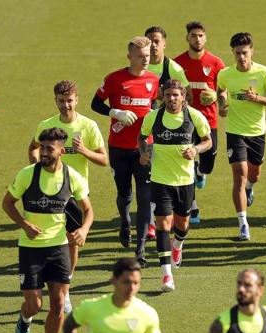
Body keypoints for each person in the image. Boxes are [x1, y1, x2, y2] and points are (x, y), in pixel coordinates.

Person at [2, 128, 94, 333]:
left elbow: (88, 210)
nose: (43, 152)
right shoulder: (26, 175)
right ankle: (25, 318)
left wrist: (83, 230)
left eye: (49, 149)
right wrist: (23, 223)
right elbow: (7, 203)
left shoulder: (72, 176)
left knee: (58, 301)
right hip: (31, 249)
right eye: (42, 147)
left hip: (59, 249)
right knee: (35, 304)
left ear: (61, 151)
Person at [28, 81, 107, 314]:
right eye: (61, 101)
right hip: (49, 191)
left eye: (70, 100)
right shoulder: (47, 126)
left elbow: (104, 159)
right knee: (49, 240)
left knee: (72, 242)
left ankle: (65, 288)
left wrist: (84, 151)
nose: (66, 105)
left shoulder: (88, 126)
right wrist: (37, 164)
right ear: (55, 100)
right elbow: (33, 147)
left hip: (75, 193)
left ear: (77, 100)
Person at [90, 37, 158, 265]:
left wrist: (154, 119)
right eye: (140, 56)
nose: (145, 59)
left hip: (144, 146)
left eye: (148, 55)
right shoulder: (115, 79)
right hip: (118, 148)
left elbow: (155, 106)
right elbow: (95, 104)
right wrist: (115, 113)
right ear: (129, 56)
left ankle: (140, 250)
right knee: (124, 194)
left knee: (145, 196)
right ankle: (124, 220)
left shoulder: (153, 80)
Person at [139, 79, 211, 292]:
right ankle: (166, 274)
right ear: (163, 96)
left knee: (182, 225)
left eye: (176, 95)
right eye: (168, 95)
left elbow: (208, 141)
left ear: (183, 97)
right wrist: (144, 153)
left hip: (185, 182)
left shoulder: (194, 116)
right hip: (160, 180)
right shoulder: (153, 117)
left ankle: (178, 245)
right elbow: (142, 138)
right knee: (163, 225)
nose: (172, 99)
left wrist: (195, 150)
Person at [217, 32, 266, 241]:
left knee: (254, 176)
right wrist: (222, 106)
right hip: (235, 132)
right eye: (237, 53)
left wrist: (256, 98)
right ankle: (243, 223)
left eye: (245, 52)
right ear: (232, 53)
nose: (241, 57)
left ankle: (250, 189)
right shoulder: (225, 74)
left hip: (257, 132)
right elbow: (221, 92)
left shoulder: (265, 73)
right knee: (239, 174)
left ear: (252, 51)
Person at [174, 21, 226, 225]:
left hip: (209, 120)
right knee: (186, 162)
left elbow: (223, 90)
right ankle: (193, 206)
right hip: (185, 120)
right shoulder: (177, 63)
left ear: (206, 38)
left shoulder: (215, 62)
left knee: (209, 161)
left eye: (201, 35)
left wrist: (217, 99)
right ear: (187, 38)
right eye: (193, 35)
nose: (197, 39)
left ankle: (201, 172)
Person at [145, 25, 192, 104]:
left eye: (156, 41)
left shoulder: (174, 69)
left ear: (164, 44)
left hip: (164, 116)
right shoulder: (138, 67)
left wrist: (167, 98)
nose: (153, 45)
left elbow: (189, 98)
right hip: (142, 115)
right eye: (149, 42)